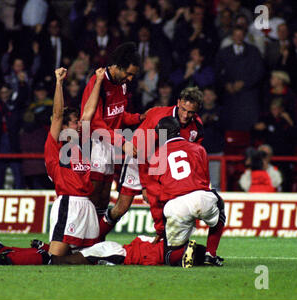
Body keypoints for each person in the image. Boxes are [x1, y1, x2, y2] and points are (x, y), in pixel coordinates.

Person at [99, 87, 205, 242]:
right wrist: (145, 186)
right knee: (121, 208)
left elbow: (192, 154)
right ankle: (96, 238)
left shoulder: (197, 127)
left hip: (164, 168)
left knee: (168, 207)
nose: (185, 115)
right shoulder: (159, 117)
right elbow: (140, 151)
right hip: (139, 161)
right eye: (183, 109)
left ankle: (163, 244)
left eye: (190, 112)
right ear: (178, 102)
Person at [43, 66, 106, 256]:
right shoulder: (56, 146)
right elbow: (57, 115)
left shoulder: (82, 145)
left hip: (87, 207)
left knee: (85, 259)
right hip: (68, 204)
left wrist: (99, 81)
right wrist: (59, 83)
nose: (79, 124)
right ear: (64, 127)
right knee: (55, 256)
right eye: (74, 122)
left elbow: (89, 112)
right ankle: (7, 254)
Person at [146, 116, 225, 266]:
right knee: (219, 205)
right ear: (178, 130)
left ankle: (187, 251)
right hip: (201, 197)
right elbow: (205, 181)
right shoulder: (198, 148)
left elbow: (154, 196)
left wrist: (160, 229)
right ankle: (210, 254)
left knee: (169, 256)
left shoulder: (156, 156)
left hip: (175, 205)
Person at [79, 42, 144, 222]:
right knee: (92, 195)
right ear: (118, 67)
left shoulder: (122, 84)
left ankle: (97, 239)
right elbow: (93, 122)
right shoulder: (97, 82)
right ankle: (82, 238)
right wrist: (122, 143)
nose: (130, 79)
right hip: (92, 143)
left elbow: (120, 116)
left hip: (109, 144)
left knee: (104, 197)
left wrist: (140, 118)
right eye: (128, 73)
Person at [0, 234, 209, 268]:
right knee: (58, 262)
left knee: (58, 256)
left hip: (112, 249)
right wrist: (202, 256)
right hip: (114, 254)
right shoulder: (165, 253)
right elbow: (175, 258)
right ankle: (5, 259)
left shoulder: (159, 238)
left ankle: (2, 248)